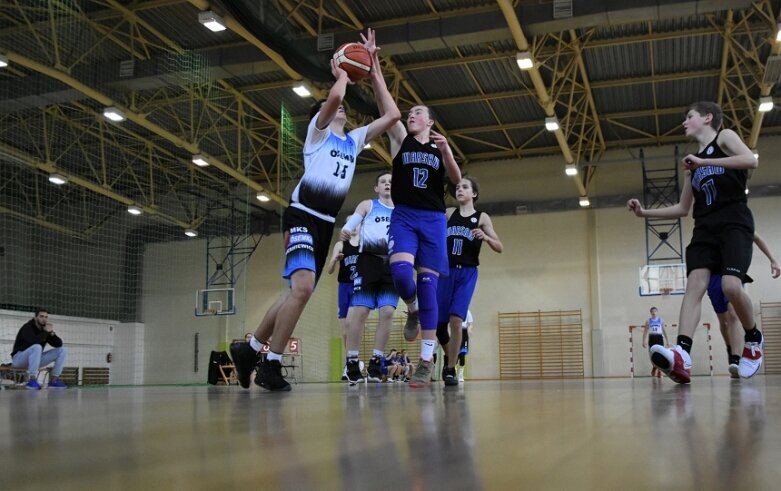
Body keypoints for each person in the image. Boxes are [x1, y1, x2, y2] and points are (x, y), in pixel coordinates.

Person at [230, 29, 401, 392]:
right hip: (302, 214)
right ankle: (270, 366)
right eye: (332, 105)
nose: (340, 105)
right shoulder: (318, 134)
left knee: (296, 292)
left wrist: (374, 71)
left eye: (340, 105)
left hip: (325, 223)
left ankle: (250, 350)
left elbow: (392, 115)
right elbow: (336, 94)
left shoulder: (353, 141)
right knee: (304, 290)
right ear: (319, 117)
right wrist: (341, 69)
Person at [627, 101, 760, 384]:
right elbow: (682, 208)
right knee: (695, 285)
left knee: (731, 286)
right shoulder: (692, 165)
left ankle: (753, 338)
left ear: (708, 118)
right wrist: (644, 213)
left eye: (689, 116)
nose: (684, 122)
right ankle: (682, 352)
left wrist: (705, 161)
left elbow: (751, 160)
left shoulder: (723, 138)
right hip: (705, 228)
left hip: (734, 221)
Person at [368, 36, 462, 389]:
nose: (411, 115)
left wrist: (449, 151)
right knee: (402, 272)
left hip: (434, 220)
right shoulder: (400, 140)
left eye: (417, 113)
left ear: (431, 122)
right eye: (410, 114)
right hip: (405, 215)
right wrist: (375, 67)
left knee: (429, 286)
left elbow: (455, 180)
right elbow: (386, 105)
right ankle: (411, 307)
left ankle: (426, 360)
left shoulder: (439, 150)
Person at [436, 176, 502, 386]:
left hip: (467, 273)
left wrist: (486, 237)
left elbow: (499, 246)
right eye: (457, 187)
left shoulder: (482, 218)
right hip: (445, 273)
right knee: (439, 326)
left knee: (456, 321)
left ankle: (450, 369)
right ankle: (449, 357)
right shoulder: (448, 214)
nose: (460, 190)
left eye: (465, 187)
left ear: (474, 194)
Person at [340, 172, 398, 384]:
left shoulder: (402, 210)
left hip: (393, 264)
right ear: (376, 188)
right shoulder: (368, 205)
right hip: (368, 261)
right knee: (361, 312)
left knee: (388, 312)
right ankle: (352, 361)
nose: (387, 184)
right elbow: (349, 226)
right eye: (382, 181)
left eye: (391, 182)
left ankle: (376, 360)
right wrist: (346, 231)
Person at [707, 232, 780, 377]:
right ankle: (730, 349)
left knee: (734, 314)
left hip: (734, 269)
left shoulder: (737, 218)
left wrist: (773, 260)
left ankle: (736, 358)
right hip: (714, 272)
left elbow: (757, 238)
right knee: (724, 322)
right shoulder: (711, 222)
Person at [326, 222, 361, 380]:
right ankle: (351, 362)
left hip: (358, 285)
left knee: (350, 323)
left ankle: (352, 361)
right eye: (350, 224)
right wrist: (335, 260)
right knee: (345, 331)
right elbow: (330, 269)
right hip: (343, 286)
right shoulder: (341, 244)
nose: (353, 227)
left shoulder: (365, 245)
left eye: (356, 224)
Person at [11, 309, 68, 390]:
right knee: (37, 347)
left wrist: (51, 332)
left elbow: (59, 344)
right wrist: (45, 332)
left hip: (35, 360)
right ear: (35, 318)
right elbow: (33, 342)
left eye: (46, 317)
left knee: (63, 350)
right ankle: (32, 380)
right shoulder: (27, 327)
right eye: (41, 316)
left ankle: (54, 380)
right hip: (19, 359)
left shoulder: (45, 330)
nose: (44, 319)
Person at [641, 307, 669, 378]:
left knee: (661, 355)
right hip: (652, 338)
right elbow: (645, 332)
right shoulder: (648, 321)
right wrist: (644, 341)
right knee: (652, 355)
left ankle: (660, 371)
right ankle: (654, 367)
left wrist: (667, 340)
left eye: (655, 311)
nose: (654, 313)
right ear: (650, 312)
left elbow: (664, 331)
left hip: (659, 338)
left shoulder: (661, 320)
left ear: (657, 312)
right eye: (652, 311)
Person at [456, 310, 473, 382]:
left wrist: (469, 329)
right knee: (456, 355)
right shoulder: (455, 310)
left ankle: (461, 375)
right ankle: (453, 371)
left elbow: (470, 323)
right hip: (456, 332)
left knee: (462, 354)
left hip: (464, 333)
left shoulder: (467, 312)